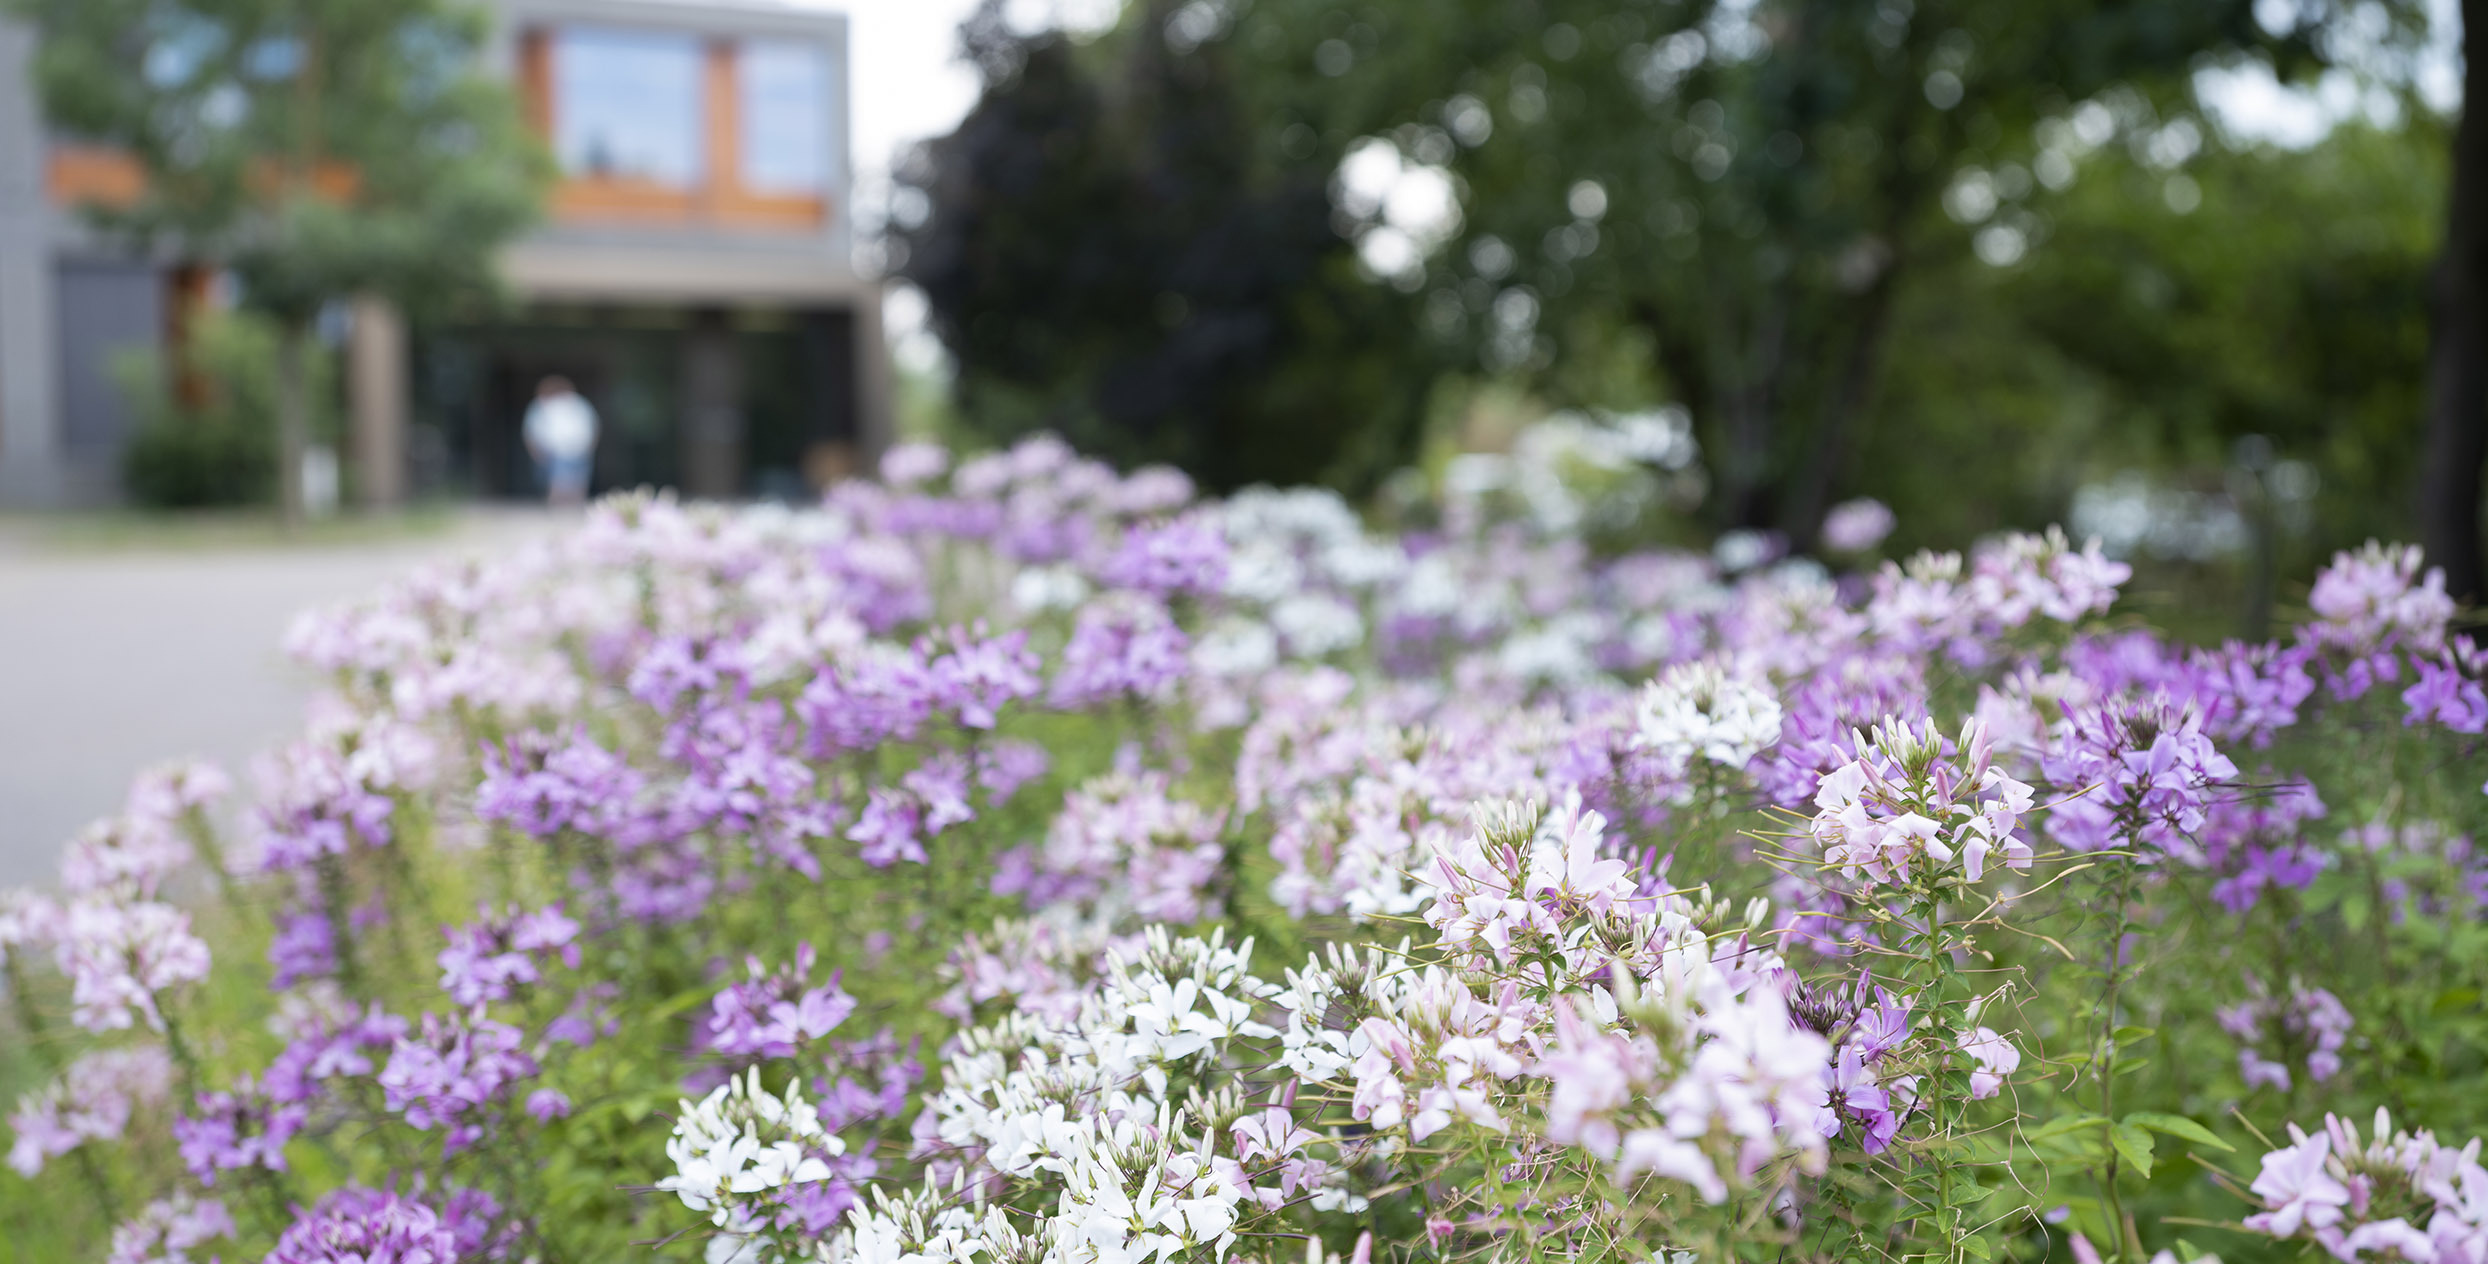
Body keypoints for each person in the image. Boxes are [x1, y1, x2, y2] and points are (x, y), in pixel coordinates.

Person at [522, 376, 599, 507]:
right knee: (560, 481)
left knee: (575, 481)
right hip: (557, 450)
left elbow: (591, 426)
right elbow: (532, 430)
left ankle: (570, 507)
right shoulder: (543, 405)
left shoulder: (578, 404)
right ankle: (559, 507)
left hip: (577, 449)